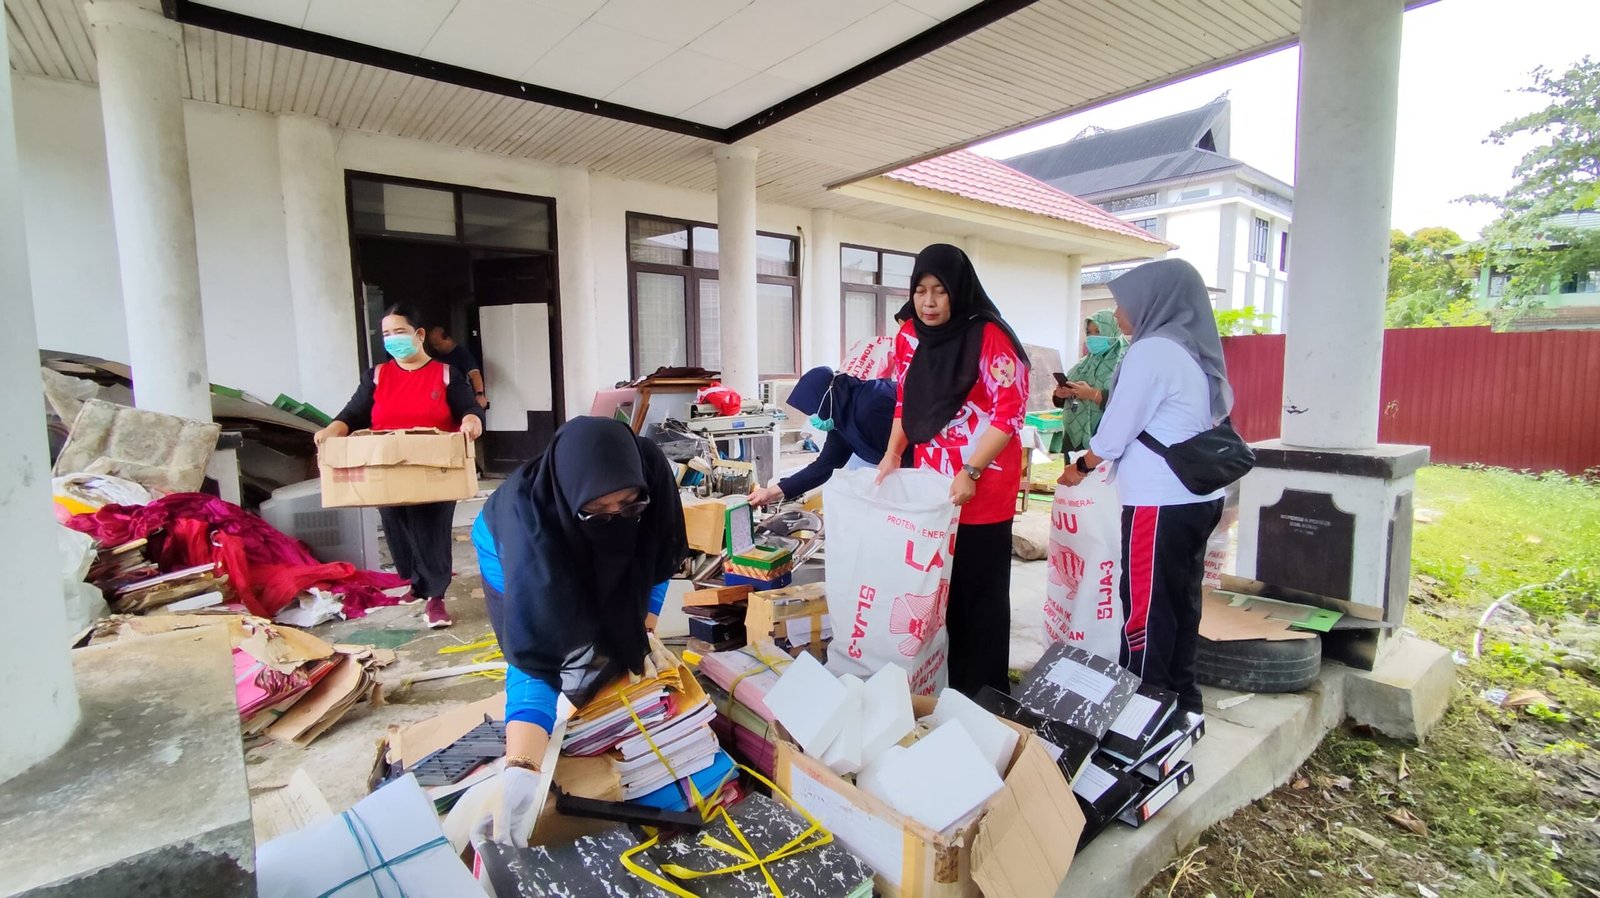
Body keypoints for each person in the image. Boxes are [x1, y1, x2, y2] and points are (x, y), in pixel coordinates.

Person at [472, 416, 687, 845]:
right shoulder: (527, 537)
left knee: (620, 629)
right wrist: (522, 764)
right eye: (599, 512)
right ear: (576, 503)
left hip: (576, 519)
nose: (617, 519)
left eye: (629, 507)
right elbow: (535, 655)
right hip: (512, 548)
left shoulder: (649, 475)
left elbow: (655, 558)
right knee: (562, 634)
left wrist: (643, 624)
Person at [1056, 259, 1230, 718]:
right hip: (1195, 498)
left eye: (1123, 301)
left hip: (1160, 501)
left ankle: (1142, 715)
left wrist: (1080, 465)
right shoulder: (1189, 347)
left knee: (1146, 611)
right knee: (1181, 602)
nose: (1118, 310)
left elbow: (1115, 432)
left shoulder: (1152, 350)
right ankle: (1181, 703)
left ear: (1153, 301)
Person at [876, 243, 1030, 698]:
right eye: (920, 290)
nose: (928, 302)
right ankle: (950, 689)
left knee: (979, 594)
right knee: (939, 591)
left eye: (939, 292)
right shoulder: (909, 336)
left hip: (983, 483)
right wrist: (892, 454)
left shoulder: (988, 337)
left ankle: (986, 695)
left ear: (957, 291)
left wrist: (972, 471)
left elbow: (1009, 414)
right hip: (933, 487)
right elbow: (905, 400)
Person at [316, 305, 483, 629]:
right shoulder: (377, 376)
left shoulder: (445, 374)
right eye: (387, 334)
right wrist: (328, 432)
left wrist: (471, 421)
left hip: (434, 466)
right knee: (398, 528)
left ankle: (435, 597)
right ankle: (415, 584)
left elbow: (469, 408)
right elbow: (352, 415)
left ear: (418, 335)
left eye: (399, 332)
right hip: (387, 468)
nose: (392, 340)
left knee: (430, 530)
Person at [747, 367, 906, 507]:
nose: (813, 417)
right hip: (903, 477)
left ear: (825, 398)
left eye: (814, 410)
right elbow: (822, 467)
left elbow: (910, 432)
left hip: (924, 465)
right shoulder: (840, 423)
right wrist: (770, 492)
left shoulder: (872, 401)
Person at [1052, 309, 1128, 452]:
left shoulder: (1127, 362)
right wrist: (1060, 395)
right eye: (1089, 332)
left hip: (1104, 438)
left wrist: (1092, 394)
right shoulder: (1082, 365)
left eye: (1098, 331)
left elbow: (1127, 403)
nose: (1093, 337)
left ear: (1112, 330)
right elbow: (1062, 402)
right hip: (1073, 439)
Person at [427, 324, 489, 410]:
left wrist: (479, 394)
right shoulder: (437, 356)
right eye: (433, 345)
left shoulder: (462, 355)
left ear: (448, 339)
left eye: (437, 345)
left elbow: (475, 374)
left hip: (460, 398)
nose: (436, 348)